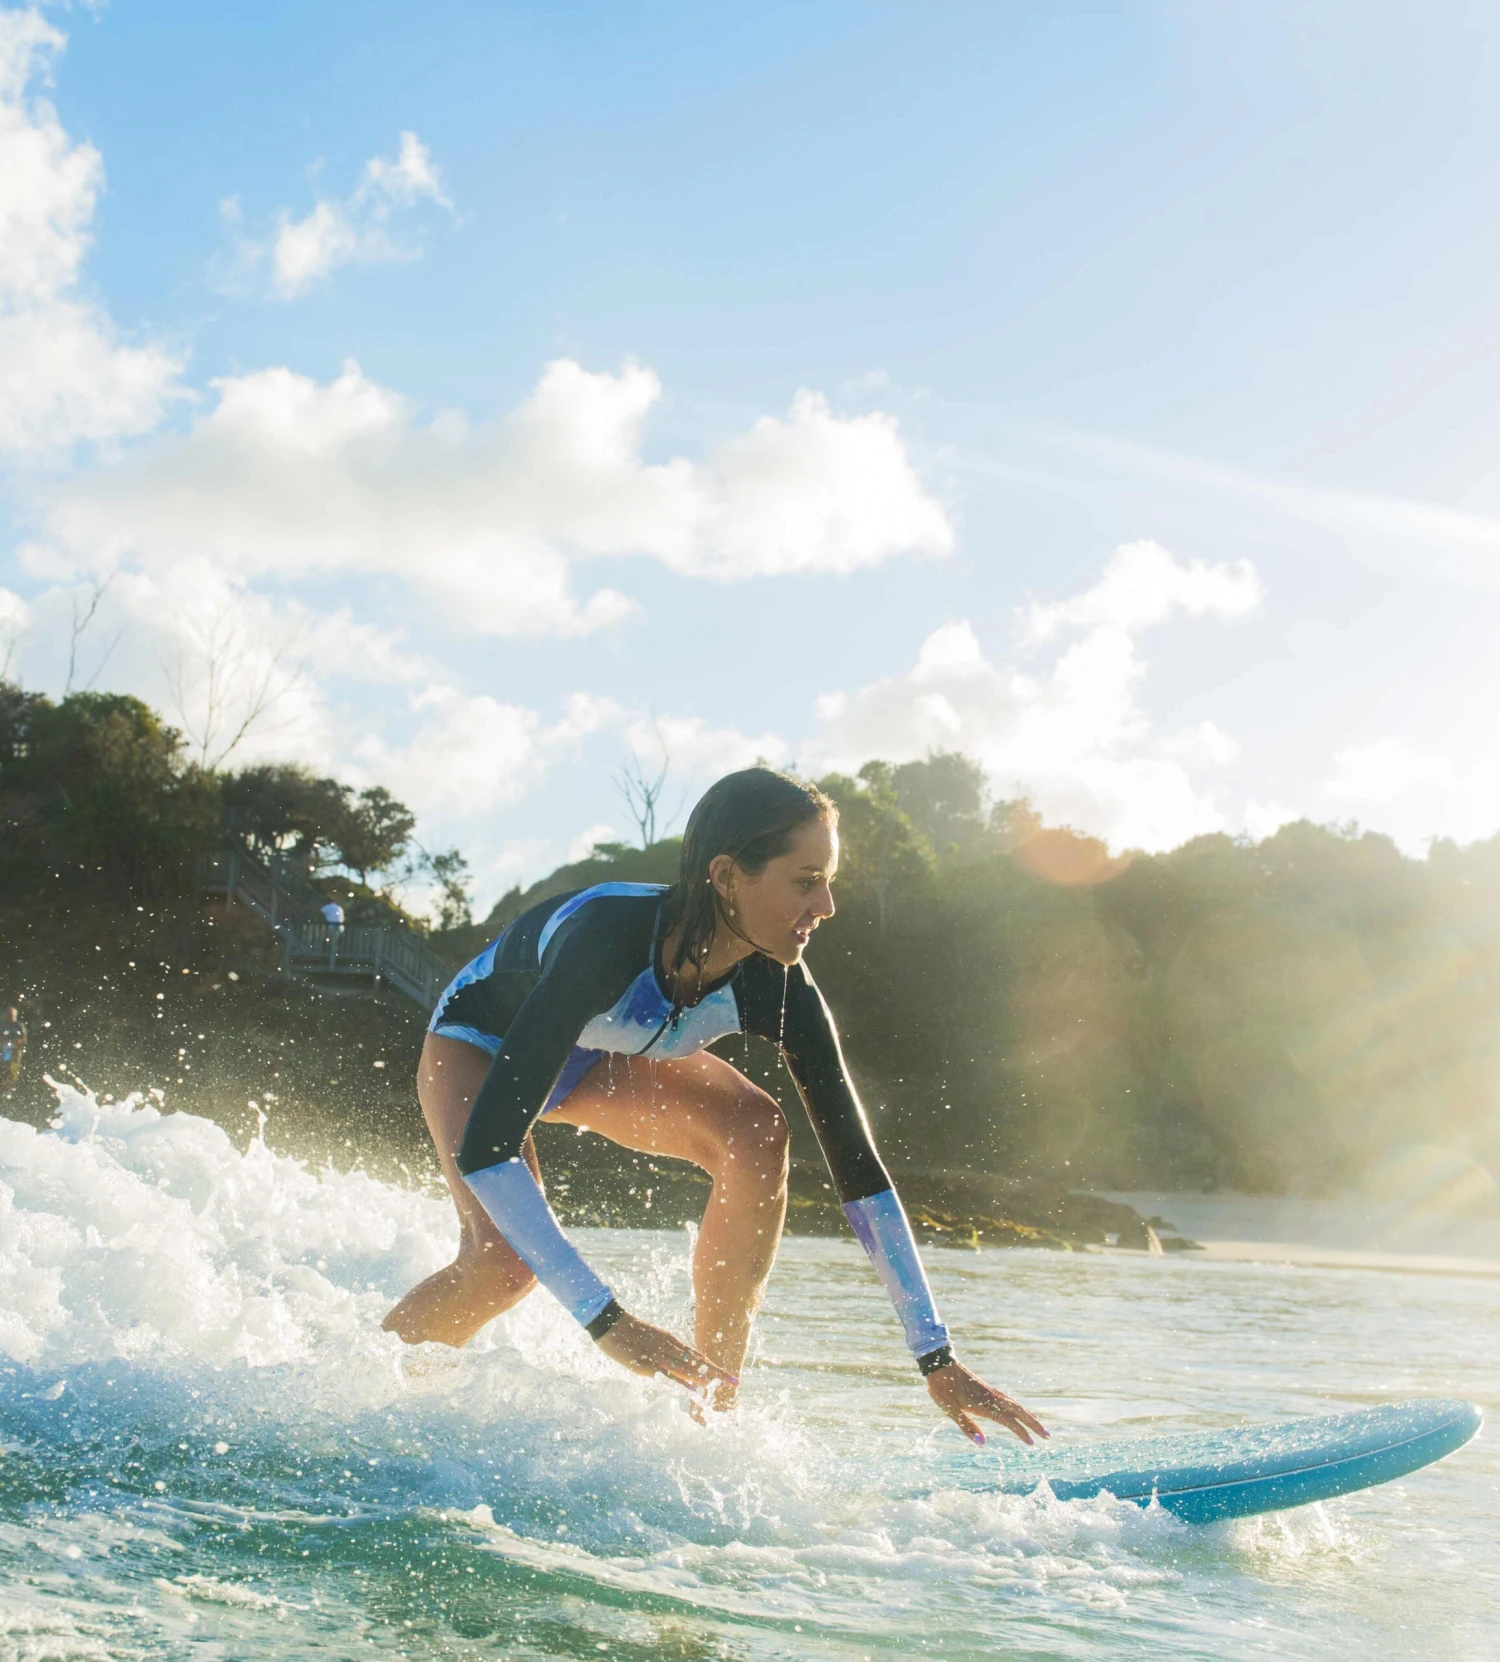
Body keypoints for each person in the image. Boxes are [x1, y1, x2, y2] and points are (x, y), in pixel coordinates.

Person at [383, 768, 1047, 1447]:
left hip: (602, 1056)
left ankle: (711, 1413)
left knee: (757, 1134)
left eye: (829, 881)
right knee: (501, 1263)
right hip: (481, 1046)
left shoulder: (780, 987)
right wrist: (610, 1324)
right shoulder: (606, 941)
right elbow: (489, 1152)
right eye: (805, 879)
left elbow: (860, 1170)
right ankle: (365, 1388)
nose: (826, 905)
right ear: (728, 876)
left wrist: (935, 1358)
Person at [1, 1006, 25, 1094]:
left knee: (13, 1071)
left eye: (11, 1014)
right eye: (8, 1014)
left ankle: (13, 1088)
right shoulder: (3, 1025)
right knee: (4, 1070)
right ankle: (5, 1088)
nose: (10, 1016)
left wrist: (15, 1042)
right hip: (4, 1051)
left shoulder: (18, 1026)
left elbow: (23, 1038)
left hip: (15, 1051)